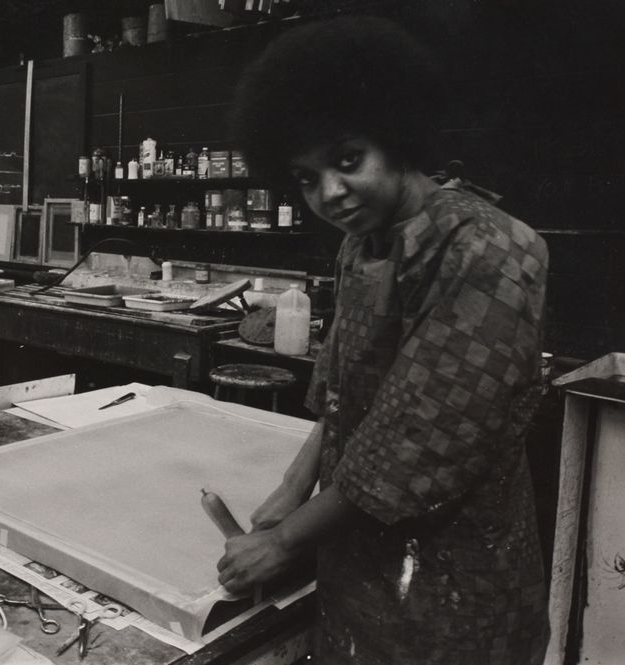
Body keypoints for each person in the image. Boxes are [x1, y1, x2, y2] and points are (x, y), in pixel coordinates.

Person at [217, 15, 550, 665]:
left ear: (397, 137)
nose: (330, 193)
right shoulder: (362, 242)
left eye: (347, 160)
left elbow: (411, 441)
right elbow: (347, 390)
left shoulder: (493, 250)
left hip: (453, 597)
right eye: (307, 178)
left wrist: (285, 541)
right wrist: (293, 482)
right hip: (357, 575)